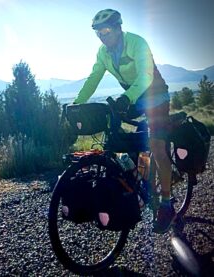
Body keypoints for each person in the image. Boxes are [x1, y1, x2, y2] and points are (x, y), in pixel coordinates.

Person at [73, 9, 174, 233]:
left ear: (118, 27)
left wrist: (126, 98)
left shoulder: (137, 43)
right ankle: (139, 177)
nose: (102, 35)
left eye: (106, 30)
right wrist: (77, 104)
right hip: (133, 97)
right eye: (98, 32)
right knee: (119, 136)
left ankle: (167, 204)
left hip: (155, 95)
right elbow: (93, 78)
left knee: (157, 147)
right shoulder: (103, 53)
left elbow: (145, 76)